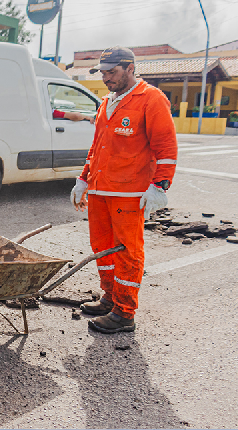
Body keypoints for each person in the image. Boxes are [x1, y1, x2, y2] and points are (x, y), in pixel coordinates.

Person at [70, 46, 177, 334]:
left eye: (112, 72)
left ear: (130, 68)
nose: (106, 78)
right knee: (102, 248)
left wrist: (160, 185)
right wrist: (83, 179)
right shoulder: (107, 102)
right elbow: (98, 146)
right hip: (100, 189)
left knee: (128, 251)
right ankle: (110, 298)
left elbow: (165, 147)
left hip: (129, 193)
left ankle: (125, 312)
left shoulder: (151, 99)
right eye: (102, 73)